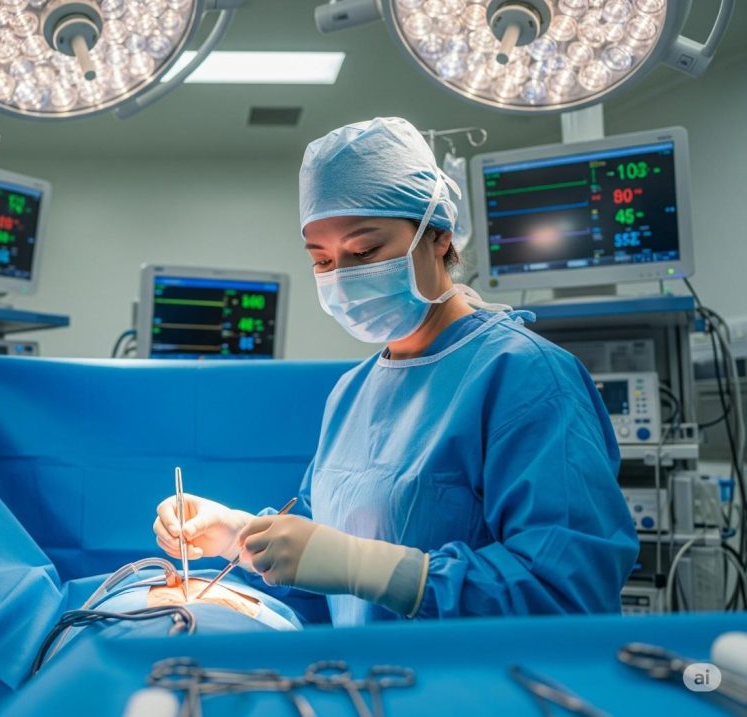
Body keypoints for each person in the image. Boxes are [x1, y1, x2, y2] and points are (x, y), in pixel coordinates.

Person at [153, 117, 639, 626]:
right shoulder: (352, 392)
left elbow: (569, 594)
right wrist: (242, 535)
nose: (342, 275)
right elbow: (327, 564)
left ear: (439, 237)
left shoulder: (528, 379)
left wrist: (369, 568)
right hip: (365, 690)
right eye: (321, 260)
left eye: (364, 251)